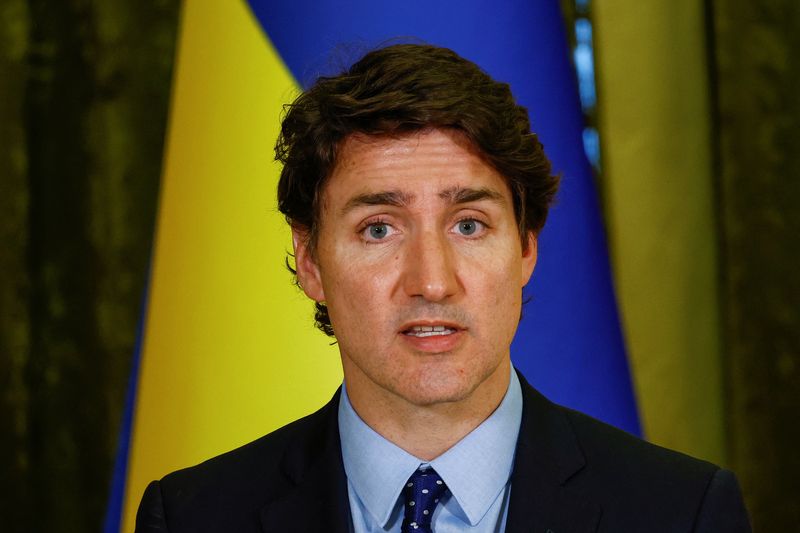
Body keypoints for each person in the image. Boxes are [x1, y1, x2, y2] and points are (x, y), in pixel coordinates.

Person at [136, 44, 751, 532]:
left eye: (468, 225)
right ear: (311, 261)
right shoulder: (193, 515)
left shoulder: (682, 512)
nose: (431, 281)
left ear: (526, 248)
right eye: (378, 228)